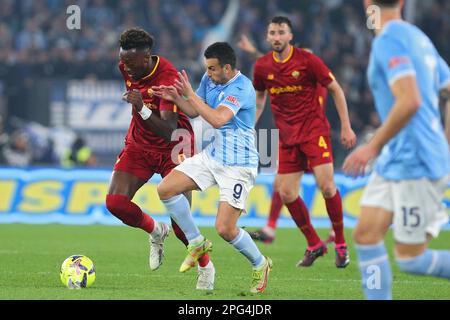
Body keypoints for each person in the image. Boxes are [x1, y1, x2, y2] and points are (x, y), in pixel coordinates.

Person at [343, 0, 450, 300]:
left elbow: (410, 100)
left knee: (411, 258)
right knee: (366, 235)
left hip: (416, 160)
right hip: (397, 158)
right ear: (401, 2)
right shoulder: (418, 37)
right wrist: (445, 141)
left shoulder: (388, 39)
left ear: (367, 4)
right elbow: (448, 89)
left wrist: (371, 147)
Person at [152, 42, 273, 294]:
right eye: (207, 68)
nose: (208, 73)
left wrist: (190, 94)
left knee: (225, 229)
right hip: (213, 156)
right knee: (166, 189)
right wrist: (176, 98)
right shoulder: (211, 80)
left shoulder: (242, 88)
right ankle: (196, 242)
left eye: (213, 69)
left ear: (227, 68)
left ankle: (261, 263)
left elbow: (218, 119)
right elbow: (194, 111)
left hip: (238, 165)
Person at [105, 28, 214, 290]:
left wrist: (141, 106)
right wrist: (140, 106)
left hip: (175, 146)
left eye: (131, 63)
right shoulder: (127, 66)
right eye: (124, 61)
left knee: (181, 224)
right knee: (115, 202)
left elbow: (168, 130)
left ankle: (206, 267)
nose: (126, 68)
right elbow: (137, 97)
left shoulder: (168, 78)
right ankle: (155, 231)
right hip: (139, 145)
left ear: (146, 58)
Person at [251, 16, 357, 268]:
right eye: (272, 32)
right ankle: (314, 243)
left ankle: (341, 244)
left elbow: (336, 89)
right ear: (268, 37)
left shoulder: (307, 61)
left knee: (327, 187)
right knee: (286, 192)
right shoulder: (262, 67)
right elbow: (259, 99)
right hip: (287, 138)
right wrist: (248, 127)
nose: (276, 37)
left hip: (314, 132)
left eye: (281, 32)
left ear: (290, 35)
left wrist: (346, 125)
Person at [237, 34, 336, 246]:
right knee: (281, 184)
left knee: (325, 185)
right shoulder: (293, 75)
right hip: (294, 138)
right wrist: (253, 51)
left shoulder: (318, 78)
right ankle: (271, 227)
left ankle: (334, 230)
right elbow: (274, 66)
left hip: (314, 135)